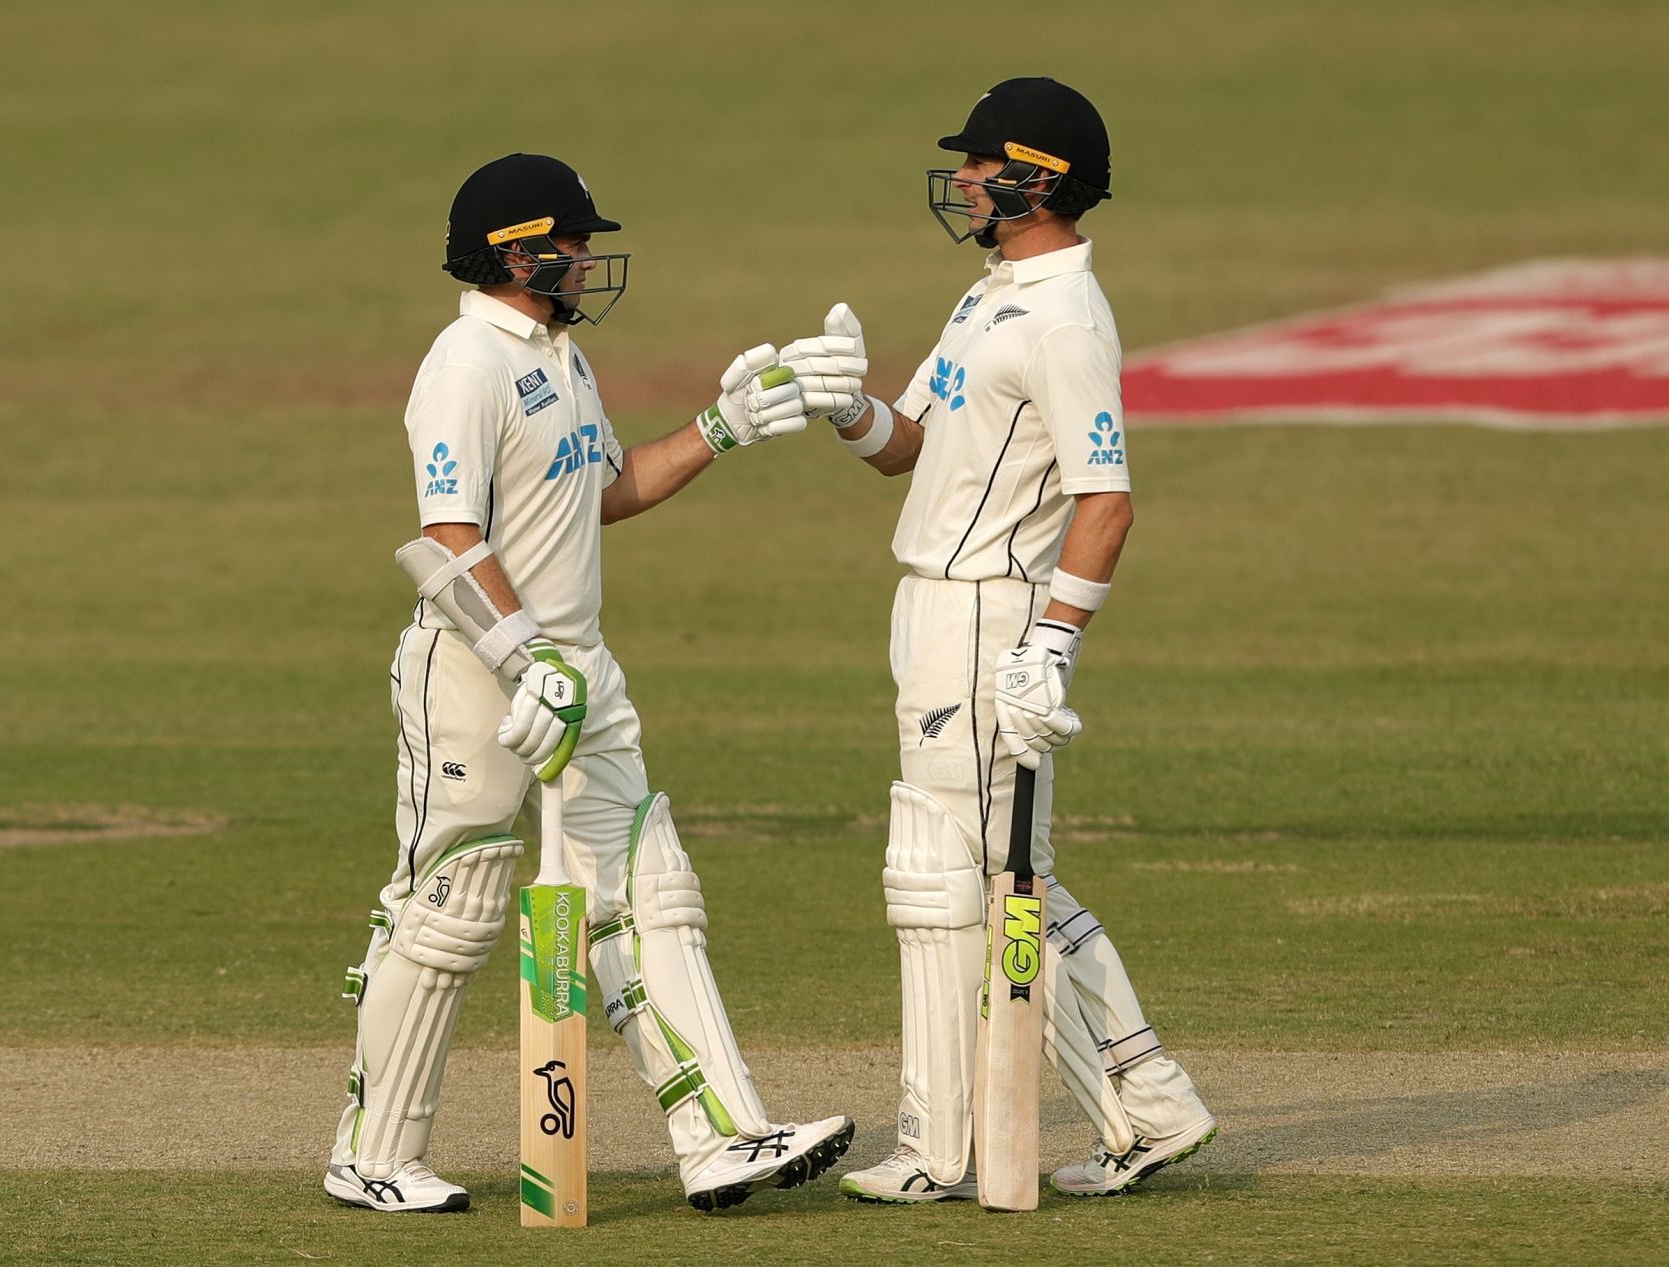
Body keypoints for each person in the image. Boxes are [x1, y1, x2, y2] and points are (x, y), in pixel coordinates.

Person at [325, 152, 854, 1215]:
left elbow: (606, 490)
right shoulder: (465, 363)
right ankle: (373, 1154)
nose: (584, 261)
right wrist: (524, 662)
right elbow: (449, 534)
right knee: (450, 908)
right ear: (515, 252)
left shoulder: (561, 357)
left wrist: (719, 429)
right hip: (478, 676)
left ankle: (720, 1136)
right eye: (569, 245)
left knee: (647, 890)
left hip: (583, 669)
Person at [777, 78, 1217, 1202]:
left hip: (992, 613)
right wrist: (843, 406)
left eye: (981, 165)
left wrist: (1053, 642)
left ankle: (939, 1146)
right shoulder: (990, 295)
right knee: (1001, 870)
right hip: (934, 603)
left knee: (953, 877)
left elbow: (1106, 498)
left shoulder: (1065, 319)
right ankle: (1147, 1098)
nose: (962, 180)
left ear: (1039, 179)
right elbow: (905, 445)